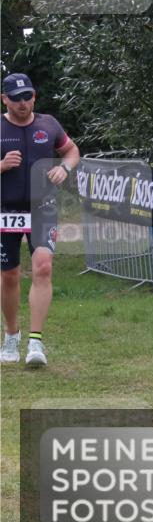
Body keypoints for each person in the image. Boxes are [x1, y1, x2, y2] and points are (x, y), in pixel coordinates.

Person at [1, 73, 80, 367]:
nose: (23, 103)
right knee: (9, 275)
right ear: (4, 99)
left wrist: (65, 169)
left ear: (34, 96)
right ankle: (11, 335)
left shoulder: (49, 124)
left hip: (42, 207)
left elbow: (71, 151)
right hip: (5, 209)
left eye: (28, 96)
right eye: (16, 98)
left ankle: (36, 342)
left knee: (43, 267)